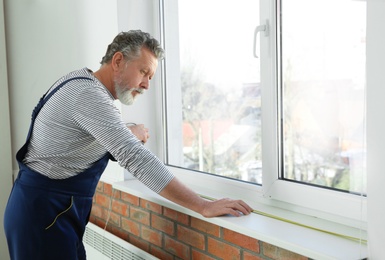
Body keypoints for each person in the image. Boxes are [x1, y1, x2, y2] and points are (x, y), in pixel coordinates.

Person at [3, 30, 252, 260]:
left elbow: (95, 135)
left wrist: (128, 132)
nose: (146, 85)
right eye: (144, 72)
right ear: (118, 61)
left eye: (151, 77)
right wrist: (203, 205)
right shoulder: (88, 95)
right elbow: (136, 158)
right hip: (42, 215)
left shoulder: (83, 83)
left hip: (50, 211)